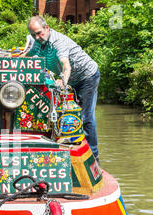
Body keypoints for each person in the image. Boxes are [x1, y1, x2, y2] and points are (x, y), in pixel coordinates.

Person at [25, 16, 101, 162]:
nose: (37, 37)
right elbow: (29, 54)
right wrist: (14, 59)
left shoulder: (58, 42)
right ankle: (70, 145)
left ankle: (93, 156)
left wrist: (63, 82)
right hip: (72, 79)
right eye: (34, 34)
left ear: (47, 28)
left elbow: (66, 65)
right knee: (66, 112)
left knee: (85, 116)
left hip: (87, 76)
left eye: (39, 32)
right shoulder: (38, 41)